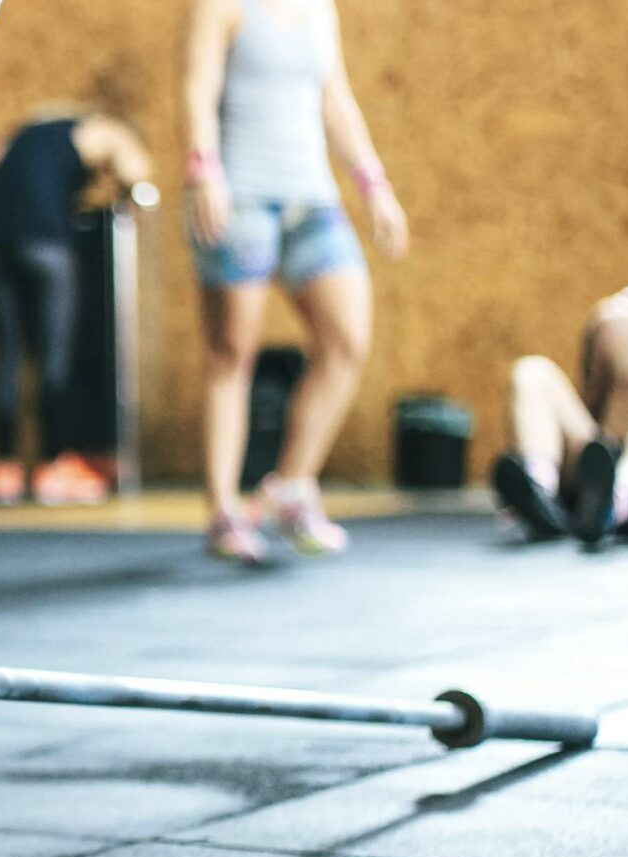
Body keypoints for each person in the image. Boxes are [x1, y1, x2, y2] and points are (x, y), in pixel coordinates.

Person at [184, 0, 408, 563]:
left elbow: (336, 99)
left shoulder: (318, 8)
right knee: (232, 353)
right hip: (241, 199)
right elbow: (196, 89)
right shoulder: (222, 6)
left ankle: (292, 487)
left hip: (312, 199)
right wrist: (204, 171)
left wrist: (374, 185)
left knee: (346, 340)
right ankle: (223, 512)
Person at [0, 110, 153, 505]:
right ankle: (55, 465)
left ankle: (4, 469)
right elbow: (133, 172)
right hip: (44, 240)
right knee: (56, 354)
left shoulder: (28, 130)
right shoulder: (104, 130)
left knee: (8, 352)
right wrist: (131, 191)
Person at [494, 286, 628, 545]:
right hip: (598, 459)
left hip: (625, 473)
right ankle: (539, 492)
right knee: (532, 372)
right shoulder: (615, 315)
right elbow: (591, 399)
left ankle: (617, 503)